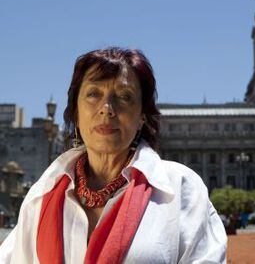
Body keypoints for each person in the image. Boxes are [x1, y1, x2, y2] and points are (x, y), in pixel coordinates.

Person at [0, 47, 227, 263]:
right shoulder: (42, 194)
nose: (107, 107)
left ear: (142, 118)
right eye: (93, 94)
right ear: (76, 113)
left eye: (125, 96)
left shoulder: (180, 188)